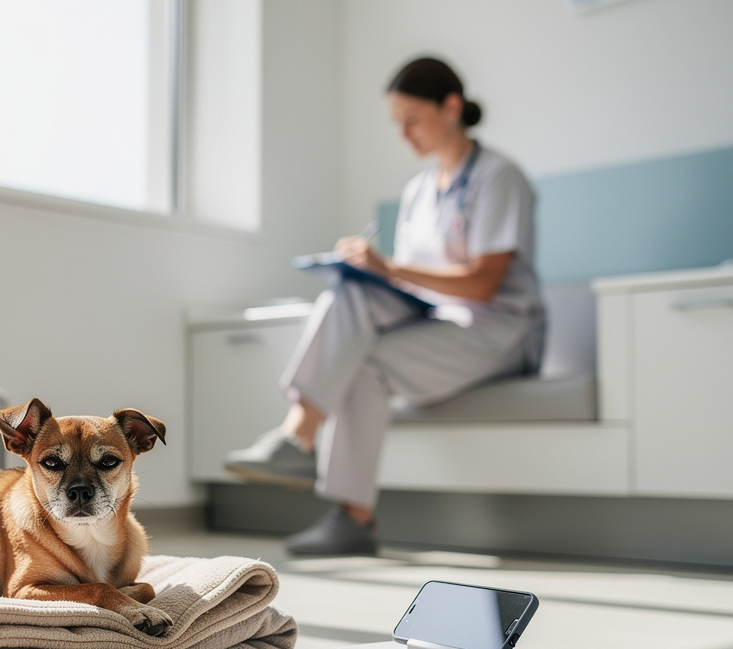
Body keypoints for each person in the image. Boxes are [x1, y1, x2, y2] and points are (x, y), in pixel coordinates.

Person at [225, 56, 545, 555]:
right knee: (351, 294)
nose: (404, 134)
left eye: (412, 120)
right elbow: (415, 284)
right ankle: (306, 445)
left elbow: (483, 284)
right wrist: (371, 271)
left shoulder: (499, 177)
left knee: (361, 361)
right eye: (397, 123)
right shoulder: (418, 191)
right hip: (438, 321)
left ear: (452, 107)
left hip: (500, 332)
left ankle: (322, 472)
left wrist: (389, 267)